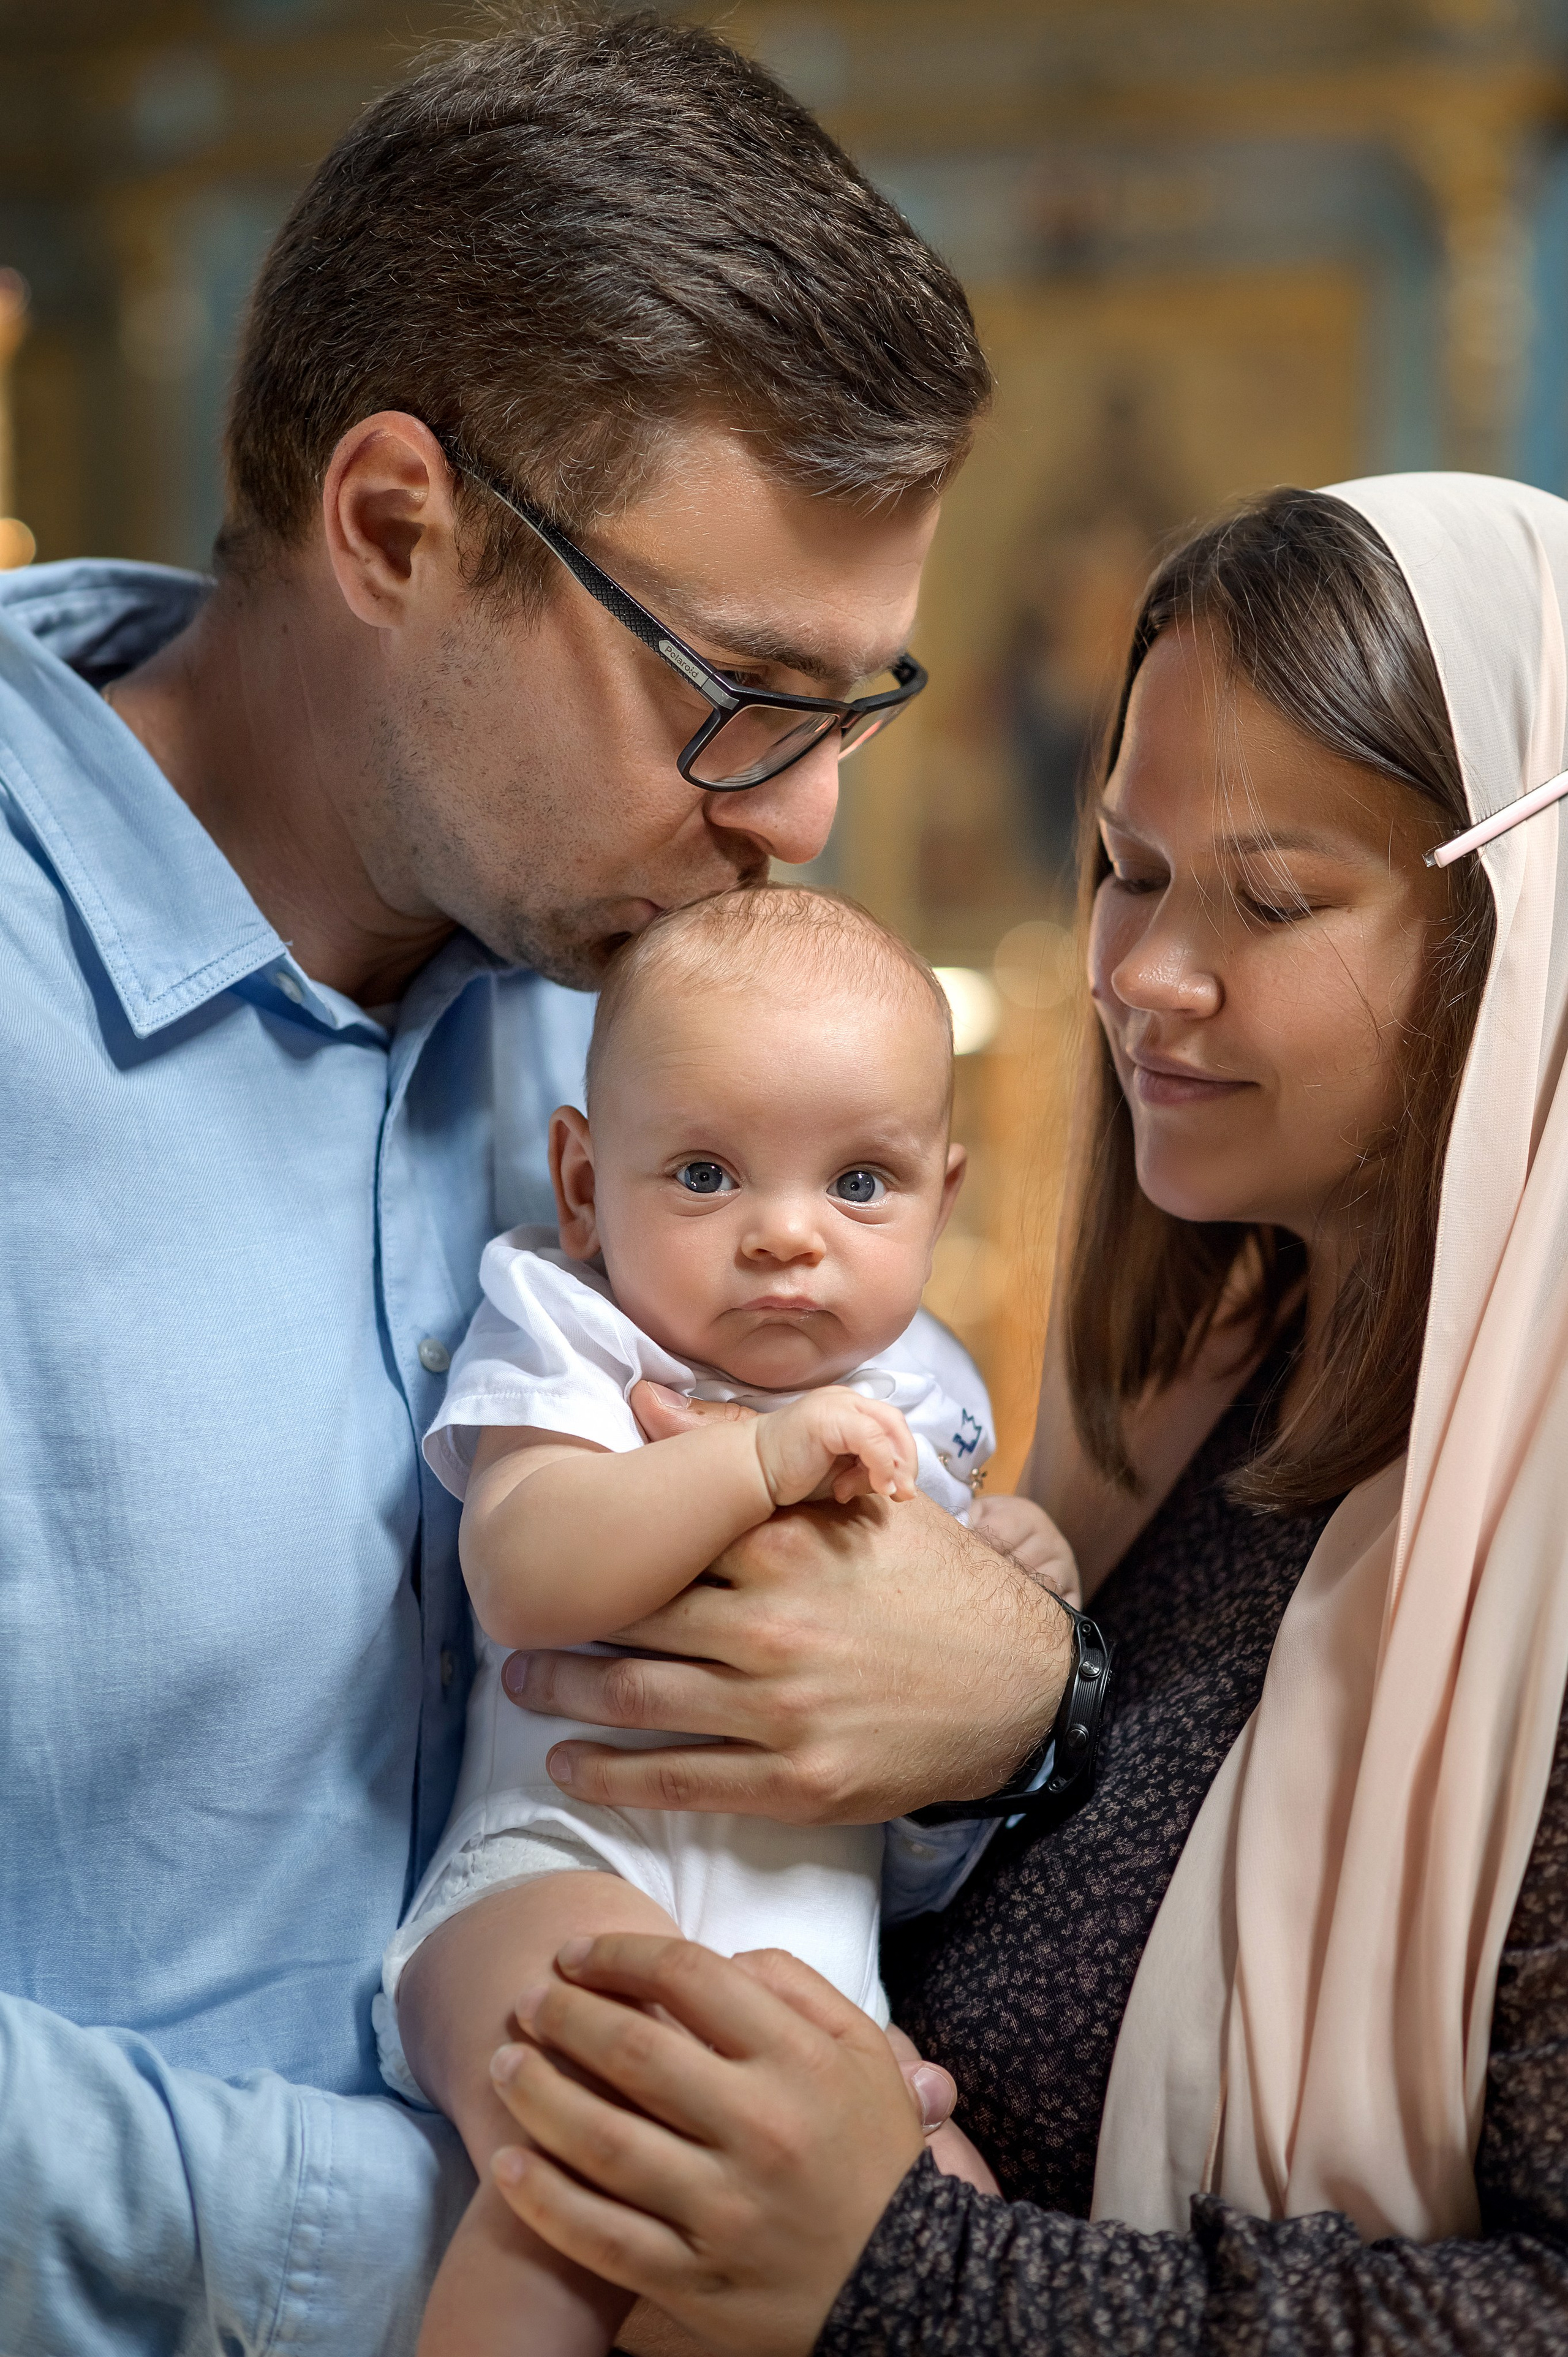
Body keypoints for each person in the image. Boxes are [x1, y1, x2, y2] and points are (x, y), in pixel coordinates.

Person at [0, 15, 1000, 2353]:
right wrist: (470, 2208)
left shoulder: (653, 1004)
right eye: (735, 689)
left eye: (854, 707)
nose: (802, 822)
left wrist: (1013, 1689)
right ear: (390, 527)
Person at [467, 473, 1568, 2353]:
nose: (1140, 974)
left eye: (1275, 897)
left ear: (1522, 930)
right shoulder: (1208, 1384)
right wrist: (1039, 1709)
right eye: (1127, 871)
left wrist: (906, 2270)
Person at [388, 886, 1067, 2353]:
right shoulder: (574, 1325)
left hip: (814, 1951)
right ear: (584, 1185)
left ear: (943, 1198)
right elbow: (523, 1566)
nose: (784, 1237)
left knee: (940, 2206)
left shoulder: (927, 1392)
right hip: (550, 1871)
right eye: (703, 1173)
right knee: (589, 2133)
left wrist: (1017, 1570)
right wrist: (748, 1458)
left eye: (860, 1186)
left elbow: (935, 1688)